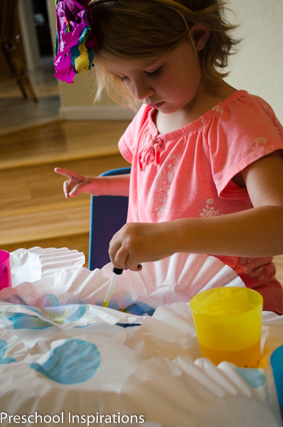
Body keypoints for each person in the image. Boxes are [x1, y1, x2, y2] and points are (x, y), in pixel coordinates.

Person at [54, 0, 283, 314]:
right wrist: (99, 185)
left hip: (234, 310)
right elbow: (161, 185)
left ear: (198, 37)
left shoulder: (238, 121)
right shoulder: (151, 115)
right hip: (159, 302)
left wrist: (171, 236)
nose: (140, 93)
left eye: (152, 71)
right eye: (123, 77)